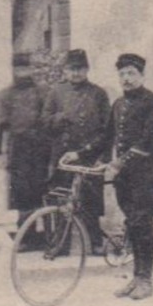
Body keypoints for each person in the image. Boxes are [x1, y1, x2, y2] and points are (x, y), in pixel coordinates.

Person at [106, 52, 153, 301]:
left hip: (147, 173)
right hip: (125, 176)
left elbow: (148, 142)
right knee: (132, 223)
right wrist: (81, 153)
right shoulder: (119, 104)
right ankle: (135, 276)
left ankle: (145, 279)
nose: (126, 78)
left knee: (142, 222)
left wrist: (120, 162)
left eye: (131, 73)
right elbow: (106, 137)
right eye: (122, 74)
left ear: (142, 75)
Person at [45, 49, 113, 252]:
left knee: (90, 202)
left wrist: (104, 157)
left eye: (80, 69)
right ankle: (61, 245)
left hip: (90, 156)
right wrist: (60, 117)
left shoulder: (98, 93)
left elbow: (108, 129)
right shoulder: (56, 92)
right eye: (71, 69)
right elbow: (45, 122)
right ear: (65, 70)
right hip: (63, 157)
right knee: (62, 200)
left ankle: (96, 244)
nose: (76, 73)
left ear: (87, 69)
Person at [0, 52, 50, 244]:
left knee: (43, 192)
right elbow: (0, 126)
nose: (22, 72)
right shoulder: (5, 95)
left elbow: (48, 120)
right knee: (21, 194)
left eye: (25, 68)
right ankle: (26, 237)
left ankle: (47, 237)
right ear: (13, 70)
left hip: (41, 150)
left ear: (32, 69)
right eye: (18, 68)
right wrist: (0, 152)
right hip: (17, 150)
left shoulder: (43, 92)